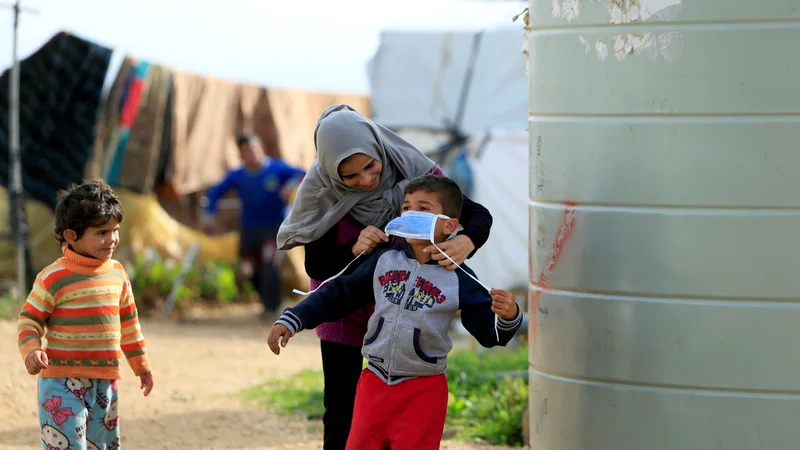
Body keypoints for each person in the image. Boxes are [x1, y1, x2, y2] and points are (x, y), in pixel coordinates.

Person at [277, 104, 493, 449]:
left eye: (370, 166)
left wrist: (466, 241)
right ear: (333, 172)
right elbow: (316, 268)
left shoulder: (413, 168)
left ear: (379, 148)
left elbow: (473, 212)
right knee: (342, 413)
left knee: (401, 415)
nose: (365, 180)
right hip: (344, 310)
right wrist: (352, 248)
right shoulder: (319, 191)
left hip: (407, 309)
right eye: (350, 176)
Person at [16, 180, 153, 450]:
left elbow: (129, 324)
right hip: (61, 383)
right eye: (102, 232)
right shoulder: (54, 278)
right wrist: (31, 350)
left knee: (101, 447)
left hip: (106, 384)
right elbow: (29, 319)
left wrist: (141, 364)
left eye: (115, 230)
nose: (111, 239)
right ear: (71, 236)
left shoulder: (117, 274)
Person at [203, 134, 305, 318]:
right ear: (241, 154)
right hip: (249, 230)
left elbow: (303, 173)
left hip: (274, 228)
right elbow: (214, 193)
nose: (252, 154)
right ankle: (264, 299)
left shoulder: (277, 168)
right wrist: (208, 215)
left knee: (270, 264)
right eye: (247, 151)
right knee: (248, 269)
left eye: (254, 149)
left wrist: (291, 184)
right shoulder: (238, 175)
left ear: (262, 149)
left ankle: (271, 307)